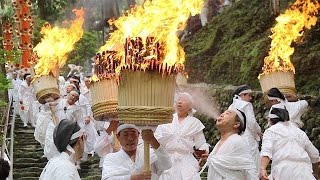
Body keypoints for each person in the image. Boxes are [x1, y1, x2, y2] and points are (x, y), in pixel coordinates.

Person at [155, 92, 209, 180]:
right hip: (167, 159)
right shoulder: (166, 119)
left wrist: (204, 151)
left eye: (183, 100)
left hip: (186, 161)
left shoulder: (195, 123)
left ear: (190, 106)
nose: (179, 102)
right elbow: (156, 139)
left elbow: (201, 143)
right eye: (178, 100)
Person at [260, 103, 320, 180]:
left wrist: (263, 169)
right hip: (304, 172)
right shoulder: (299, 132)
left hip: (283, 171)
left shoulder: (271, 131)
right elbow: (315, 155)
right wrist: (315, 172)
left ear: (271, 120)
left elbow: (266, 151)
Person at [102, 124, 172, 180]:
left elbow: (167, 164)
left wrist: (152, 140)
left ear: (138, 135)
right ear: (118, 137)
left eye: (133, 133)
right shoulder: (111, 158)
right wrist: (133, 178)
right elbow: (108, 178)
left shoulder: (149, 154)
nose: (130, 138)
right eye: (125, 134)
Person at [205, 108, 258, 180]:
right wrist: (208, 157)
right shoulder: (219, 143)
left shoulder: (237, 140)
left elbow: (249, 167)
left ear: (236, 124)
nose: (222, 114)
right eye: (223, 113)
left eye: (228, 113)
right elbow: (218, 162)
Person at [228, 85, 261, 171]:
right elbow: (252, 122)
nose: (250, 98)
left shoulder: (231, 107)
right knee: (252, 163)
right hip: (247, 137)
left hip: (234, 138)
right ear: (242, 95)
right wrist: (259, 131)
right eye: (249, 95)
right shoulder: (247, 105)